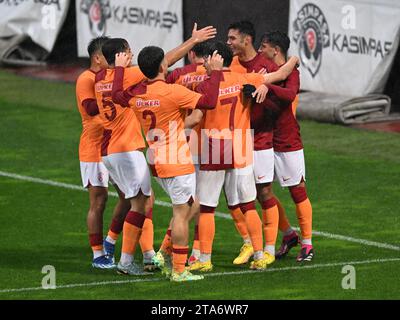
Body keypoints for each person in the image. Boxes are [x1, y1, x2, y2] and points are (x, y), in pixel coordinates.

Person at [111, 46, 223, 281]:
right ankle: (179, 270)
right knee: (182, 214)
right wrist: (215, 73)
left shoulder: (137, 94)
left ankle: (164, 252)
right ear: (163, 66)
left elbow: (116, 96)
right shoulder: (172, 92)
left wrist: (119, 69)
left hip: (156, 162)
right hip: (177, 162)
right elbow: (210, 101)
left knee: (193, 205)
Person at [187, 41, 298, 272]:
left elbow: (197, 118)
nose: (204, 64)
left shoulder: (205, 85)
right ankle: (259, 255)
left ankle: (204, 259)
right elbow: (281, 73)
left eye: (206, 60)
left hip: (214, 145)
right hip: (241, 146)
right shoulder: (245, 78)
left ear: (214, 59)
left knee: (207, 208)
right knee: (248, 205)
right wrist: (295, 59)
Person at [226, 20, 298, 264]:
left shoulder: (266, 67)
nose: (229, 43)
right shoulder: (231, 65)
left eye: (232, 39)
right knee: (237, 195)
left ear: (247, 40)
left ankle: (267, 249)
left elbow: (280, 105)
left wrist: (261, 97)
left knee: (263, 191)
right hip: (237, 138)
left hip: (261, 137)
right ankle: (258, 241)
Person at [76, 36, 131, 269]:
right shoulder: (86, 79)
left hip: (115, 146)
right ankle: (98, 253)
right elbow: (89, 107)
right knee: (99, 201)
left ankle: (110, 240)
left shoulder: (114, 78)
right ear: (98, 57)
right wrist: (109, 93)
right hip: (93, 149)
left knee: (129, 196)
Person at [259, 31, 314, 262]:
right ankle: (289, 234)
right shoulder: (266, 72)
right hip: (264, 140)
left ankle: (308, 244)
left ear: (276, 50)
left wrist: (267, 86)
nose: (261, 50)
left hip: (287, 139)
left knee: (297, 190)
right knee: (262, 192)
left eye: (264, 46)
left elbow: (290, 95)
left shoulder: (291, 73)